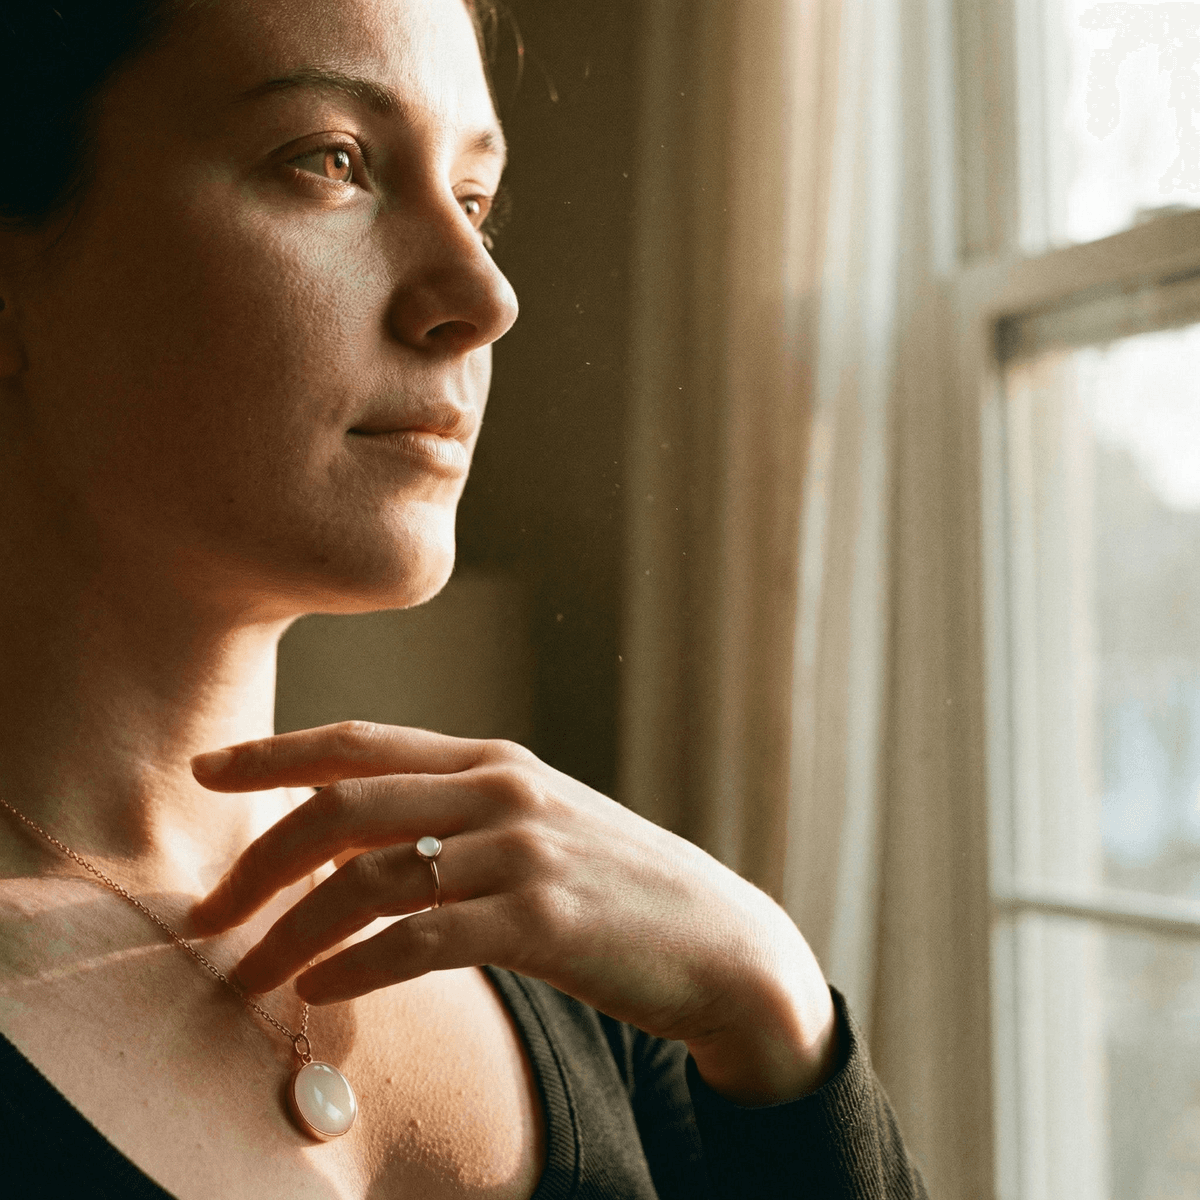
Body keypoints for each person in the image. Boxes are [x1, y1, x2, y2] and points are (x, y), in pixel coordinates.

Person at [0, 0, 926, 1195]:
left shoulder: (593, 976)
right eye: (329, 161)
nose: (484, 298)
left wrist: (775, 1013)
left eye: (476, 200)